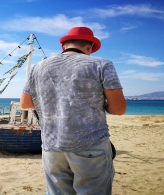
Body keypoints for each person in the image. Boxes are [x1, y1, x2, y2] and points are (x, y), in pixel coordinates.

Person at [20, 26, 127, 195]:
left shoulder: (38, 67)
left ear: (64, 46)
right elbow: (119, 109)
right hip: (90, 144)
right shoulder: (102, 64)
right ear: (90, 47)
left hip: (52, 145)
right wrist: (98, 103)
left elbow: (25, 103)